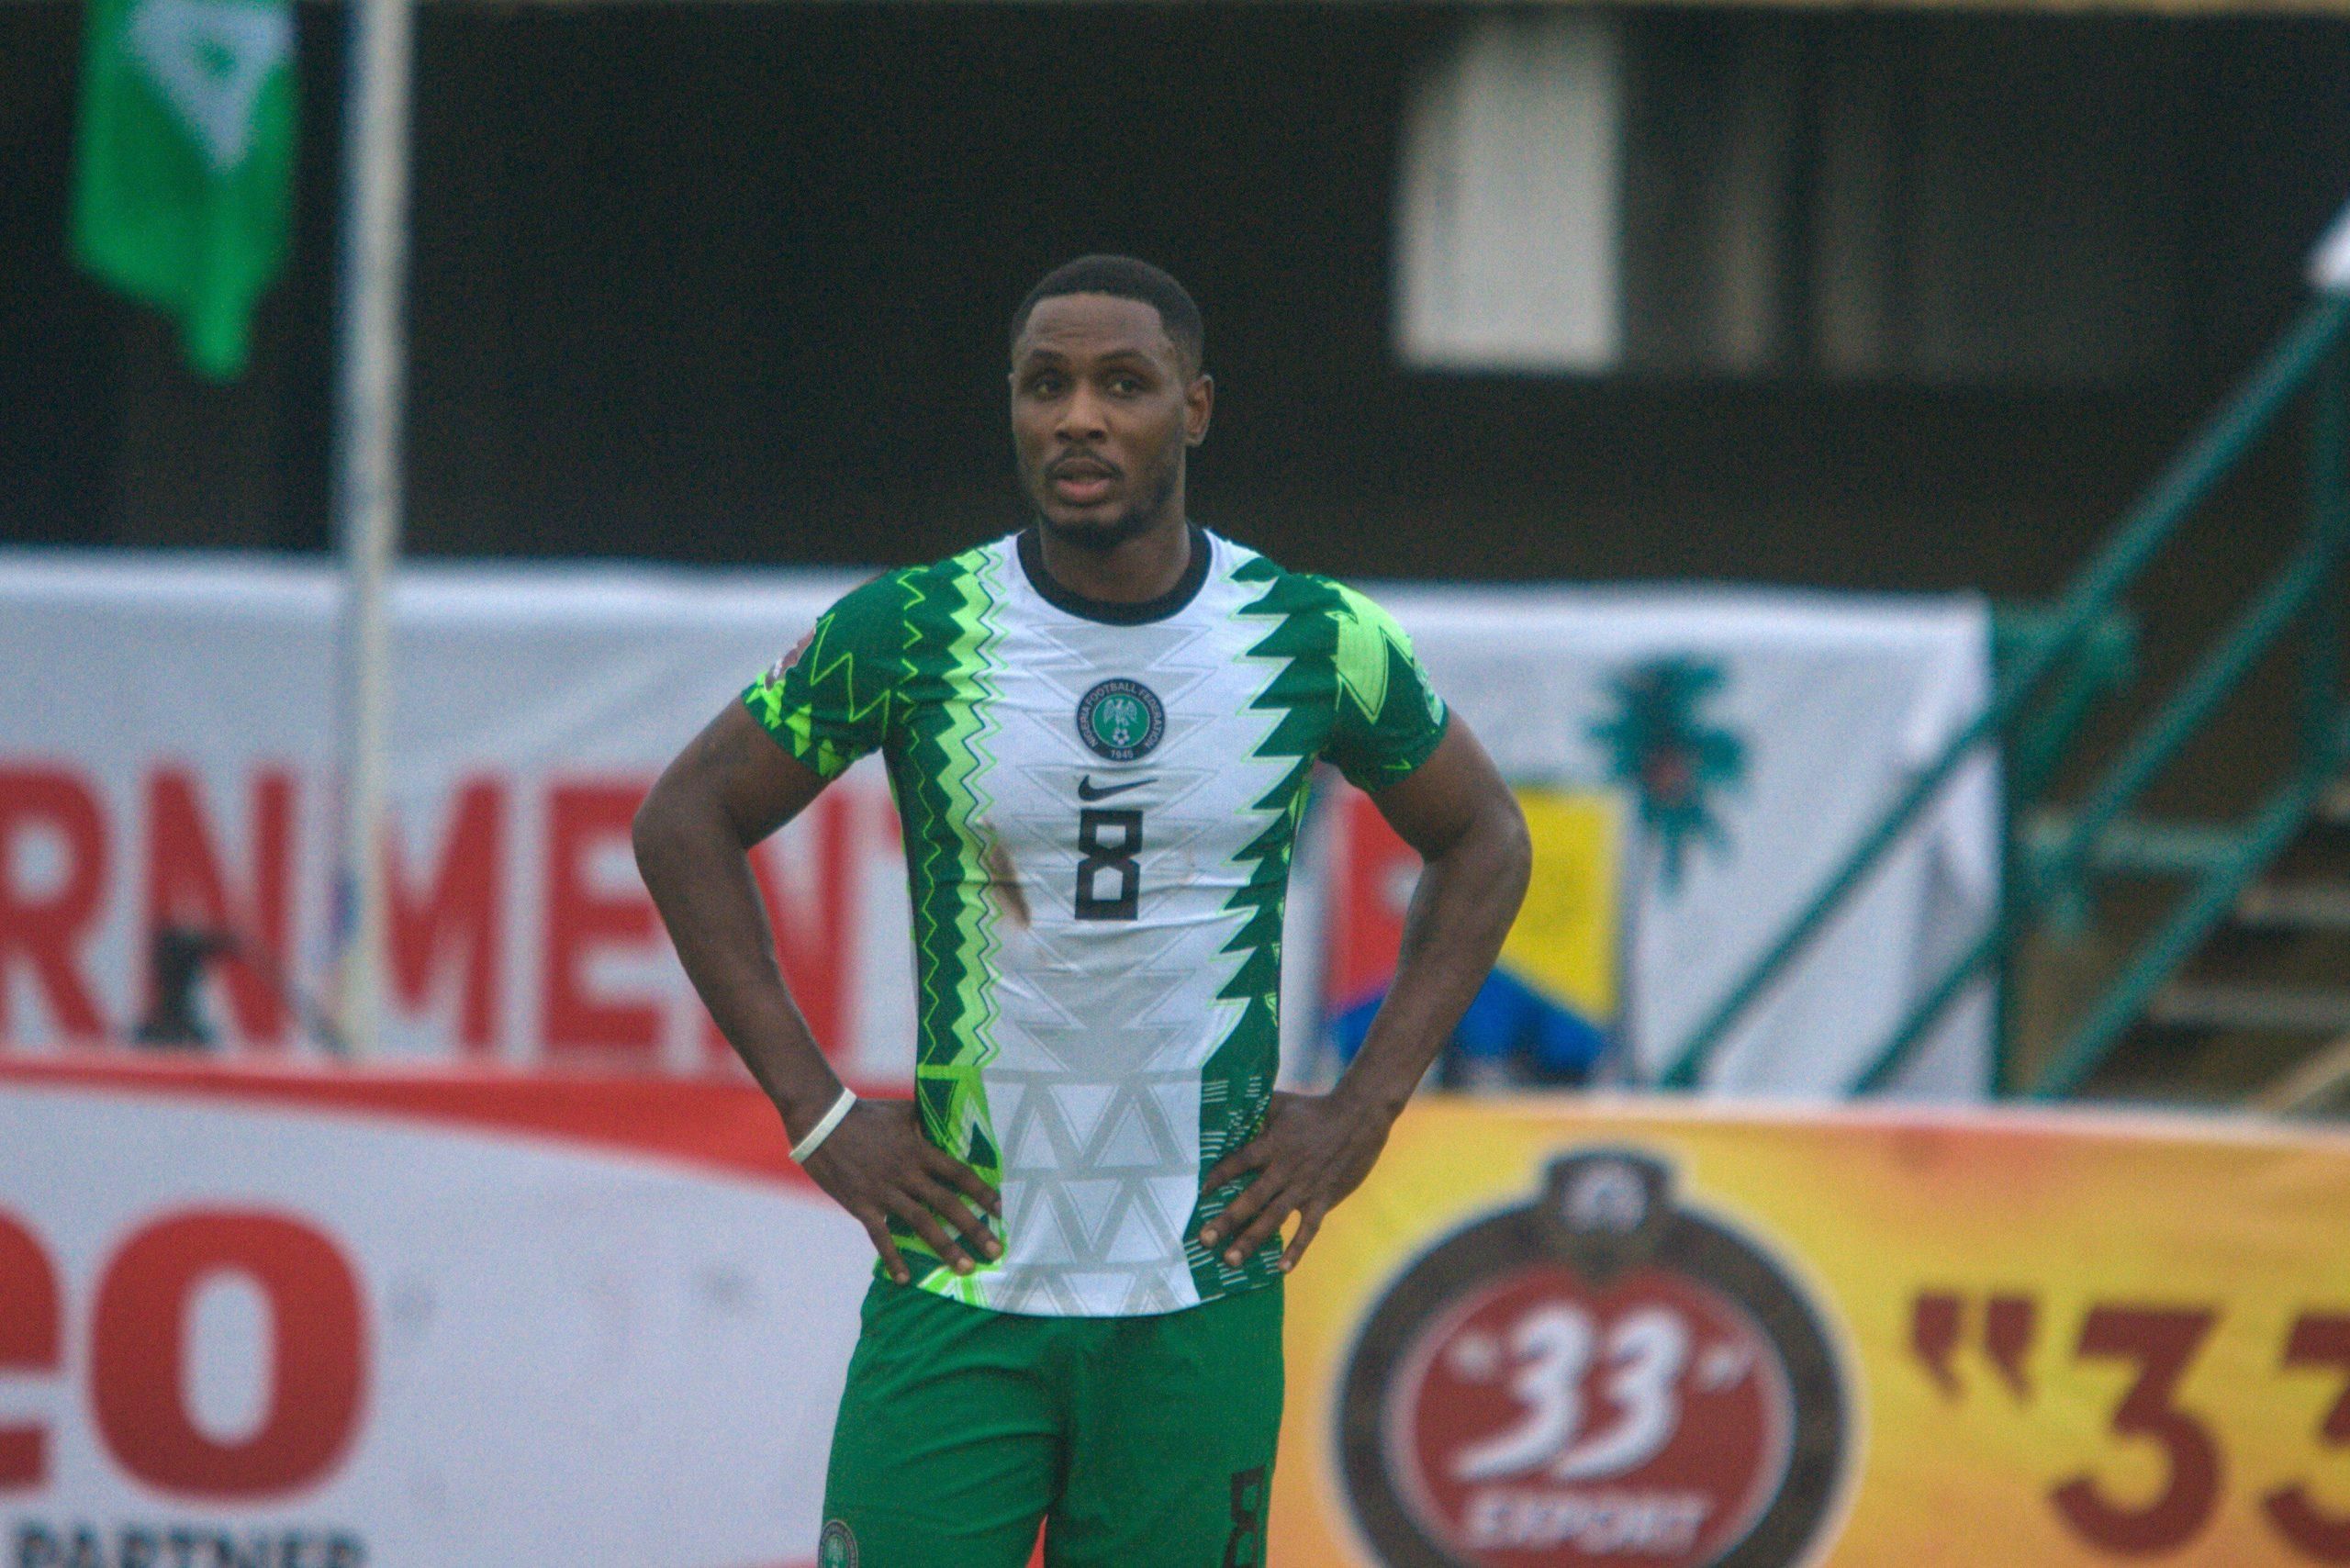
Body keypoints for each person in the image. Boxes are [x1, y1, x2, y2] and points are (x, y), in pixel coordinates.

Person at [633, 254, 1530, 1568]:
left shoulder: (1310, 637)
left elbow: (1484, 838)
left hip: (1195, 1297)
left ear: (1197, 410)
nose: (1079, 419)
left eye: (1124, 385)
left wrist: (1364, 1108)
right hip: (964, 1284)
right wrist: (820, 1115)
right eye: (1045, 386)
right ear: (1011, 408)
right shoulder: (914, 628)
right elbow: (684, 820)